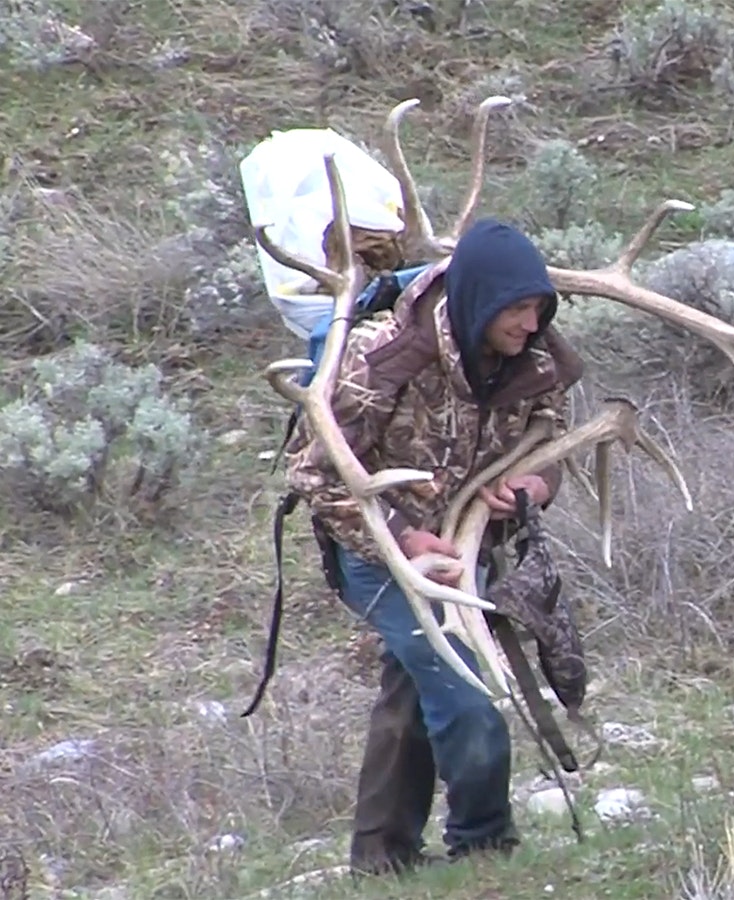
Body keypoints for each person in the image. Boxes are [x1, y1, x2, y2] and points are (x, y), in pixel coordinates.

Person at [281, 217, 585, 876]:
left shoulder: (535, 361)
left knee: (417, 685)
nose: (531, 324)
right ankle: (485, 850)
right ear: (478, 297)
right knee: (468, 693)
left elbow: (551, 440)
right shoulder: (382, 358)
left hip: (467, 546)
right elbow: (313, 473)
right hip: (381, 553)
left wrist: (535, 483)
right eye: (518, 309)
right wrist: (400, 533)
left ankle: (381, 861)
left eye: (540, 308)